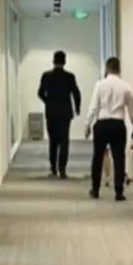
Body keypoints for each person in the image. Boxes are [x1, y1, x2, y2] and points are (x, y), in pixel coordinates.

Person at [85, 57, 133, 201]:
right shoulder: (126, 87)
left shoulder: (99, 85)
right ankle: (119, 192)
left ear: (107, 68)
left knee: (97, 157)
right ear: (119, 69)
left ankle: (95, 190)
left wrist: (87, 125)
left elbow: (93, 107)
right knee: (119, 158)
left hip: (102, 124)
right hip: (118, 124)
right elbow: (132, 112)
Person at [37, 50, 81, 179]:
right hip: (65, 113)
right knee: (64, 141)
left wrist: (48, 102)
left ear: (53, 61)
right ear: (65, 62)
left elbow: (40, 93)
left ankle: (53, 168)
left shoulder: (46, 76)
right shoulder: (69, 77)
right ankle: (62, 169)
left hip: (51, 113)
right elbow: (76, 93)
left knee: (53, 141)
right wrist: (77, 108)